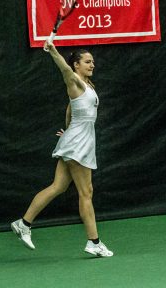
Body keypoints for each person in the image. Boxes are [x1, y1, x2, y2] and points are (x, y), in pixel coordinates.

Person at [11, 41, 113, 257]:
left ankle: (24, 223)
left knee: (58, 186)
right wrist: (53, 50)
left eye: (92, 61)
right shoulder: (73, 80)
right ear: (76, 65)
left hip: (76, 140)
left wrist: (68, 131)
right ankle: (93, 242)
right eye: (87, 61)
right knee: (86, 193)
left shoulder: (87, 86)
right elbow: (64, 68)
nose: (92, 64)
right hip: (78, 145)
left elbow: (70, 109)